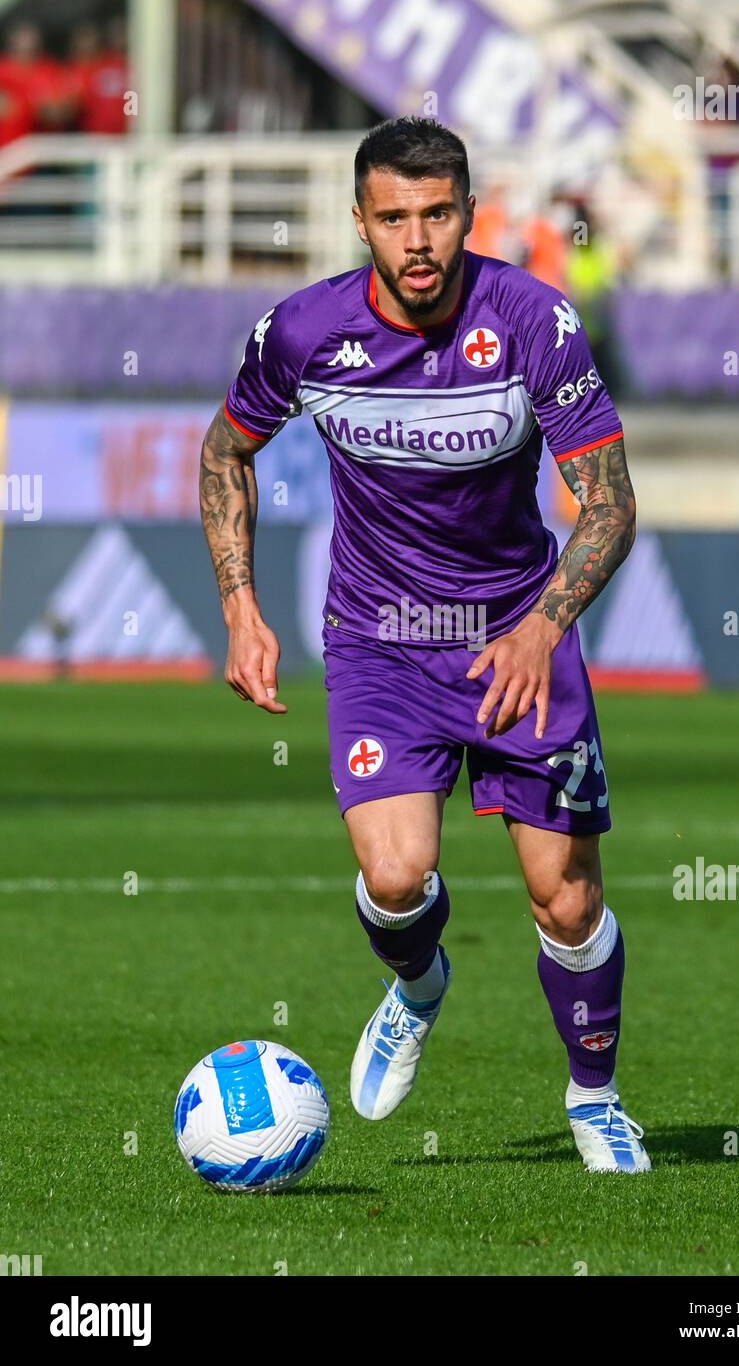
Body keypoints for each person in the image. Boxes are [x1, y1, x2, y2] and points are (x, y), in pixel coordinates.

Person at [199, 117, 648, 1174]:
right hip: (380, 643)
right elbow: (227, 450)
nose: (417, 239)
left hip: (514, 640)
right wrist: (239, 606)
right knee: (396, 875)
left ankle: (596, 1097)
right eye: (393, 216)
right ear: (359, 219)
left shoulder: (534, 321)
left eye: (437, 214)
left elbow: (612, 505)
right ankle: (417, 984)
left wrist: (544, 625)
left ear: (468, 215)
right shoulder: (303, 333)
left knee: (567, 896)